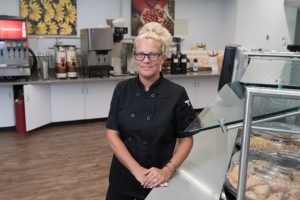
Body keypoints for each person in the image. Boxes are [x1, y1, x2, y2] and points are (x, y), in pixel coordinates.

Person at [105, 22, 196, 200]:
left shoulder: (177, 93)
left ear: (163, 58)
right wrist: (136, 170)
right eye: (140, 54)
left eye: (153, 55)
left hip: (158, 180)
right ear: (135, 57)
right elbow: (112, 135)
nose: (146, 60)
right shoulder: (122, 89)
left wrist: (168, 170)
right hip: (122, 178)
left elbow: (187, 140)